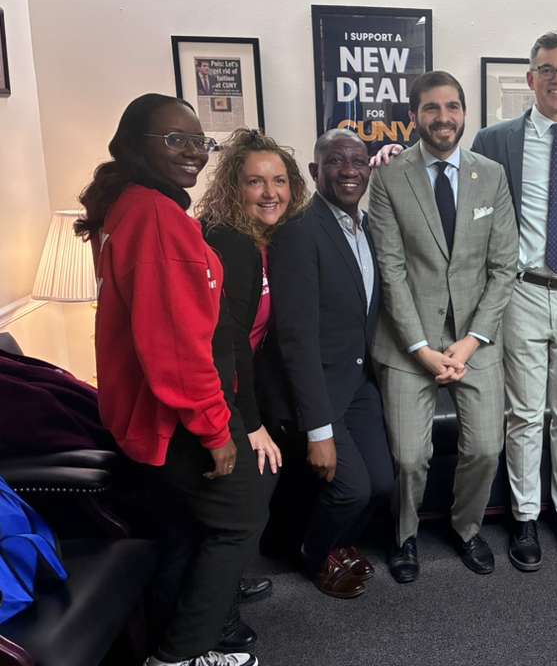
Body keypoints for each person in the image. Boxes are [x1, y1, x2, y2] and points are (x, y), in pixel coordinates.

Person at [75, 94, 263, 666]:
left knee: (187, 530)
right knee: (239, 518)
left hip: (159, 411)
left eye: (199, 141)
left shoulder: (132, 207)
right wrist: (213, 429)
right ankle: (180, 654)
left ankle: (179, 641)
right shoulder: (154, 217)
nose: (192, 152)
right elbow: (177, 347)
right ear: (134, 144)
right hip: (179, 415)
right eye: (174, 139)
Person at [368, 70, 518, 583]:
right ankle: (405, 535)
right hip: (408, 343)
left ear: (463, 112)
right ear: (414, 116)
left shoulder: (491, 175)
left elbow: (503, 268)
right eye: (431, 108)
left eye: (452, 107)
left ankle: (466, 528)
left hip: (474, 340)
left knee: (485, 448)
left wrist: (472, 341)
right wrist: (420, 348)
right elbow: (389, 269)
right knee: (410, 457)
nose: (443, 117)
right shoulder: (388, 177)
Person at [471, 31, 557, 572]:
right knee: (525, 415)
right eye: (547, 69)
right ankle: (525, 517)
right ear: (530, 78)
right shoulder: (497, 139)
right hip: (522, 291)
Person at [268, 128, 394, 599]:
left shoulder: (364, 226)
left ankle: (335, 545)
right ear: (315, 171)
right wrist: (318, 431)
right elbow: (295, 339)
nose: (349, 170)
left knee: (382, 481)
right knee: (351, 489)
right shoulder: (300, 232)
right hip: (317, 389)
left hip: (357, 380)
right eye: (337, 161)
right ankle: (313, 554)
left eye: (359, 161)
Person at [195, 128, 310, 612]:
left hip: (237, 388)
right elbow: (228, 341)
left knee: (250, 494)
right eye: (255, 182)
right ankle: (211, 618)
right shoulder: (230, 245)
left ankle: (224, 585)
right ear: (232, 188)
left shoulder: (265, 241)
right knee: (244, 498)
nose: (270, 193)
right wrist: (253, 423)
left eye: (279, 181)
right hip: (216, 394)